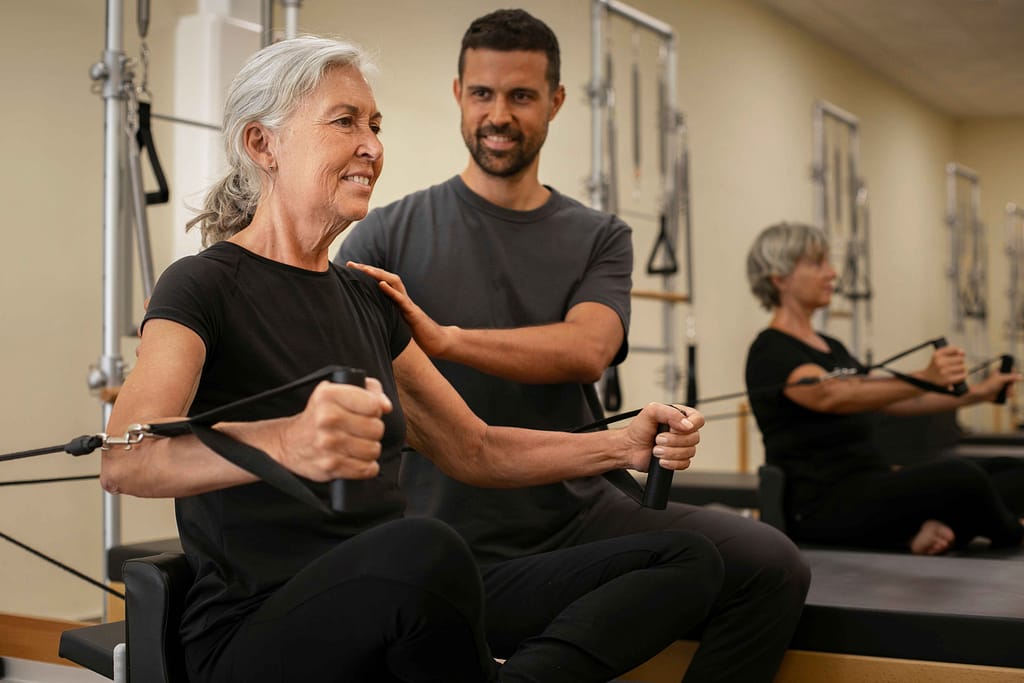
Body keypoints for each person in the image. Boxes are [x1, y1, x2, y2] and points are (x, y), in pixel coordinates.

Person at [101, 36, 729, 683]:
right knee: (423, 546)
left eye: (375, 125)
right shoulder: (201, 286)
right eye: (345, 121)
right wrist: (286, 440)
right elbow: (126, 457)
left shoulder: (368, 299)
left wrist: (618, 444)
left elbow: (476, 447)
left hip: (399, 589)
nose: (372, 145)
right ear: (264, 145)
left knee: (687, 558)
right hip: (260, 625)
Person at [337, 10, 810, 682]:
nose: (498, 114)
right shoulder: (384, 234)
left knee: (773, 563)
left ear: (556, 102)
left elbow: (588, 347)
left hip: (579, 512)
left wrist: (447, 338)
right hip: (444, 526)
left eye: (521, 96)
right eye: (482, 94)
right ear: (458, 95)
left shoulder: (599, 235)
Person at [744, 221, 1024, 555]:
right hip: (821, 504)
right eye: (817, 263)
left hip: (871, 483)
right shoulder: (770, 350)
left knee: (1011, 472)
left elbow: (890, 399)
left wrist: (979, 392)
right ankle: (1009, 533)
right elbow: (832, 395)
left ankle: (935, 532)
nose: (832, 273)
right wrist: (925, 376)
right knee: (961, 476)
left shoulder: (831, 346)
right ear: (780, 277)